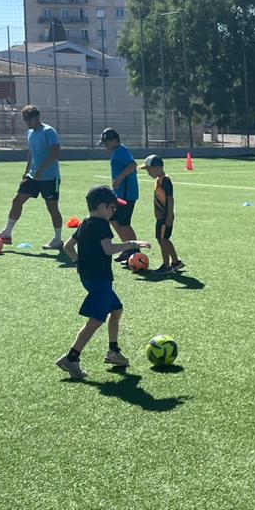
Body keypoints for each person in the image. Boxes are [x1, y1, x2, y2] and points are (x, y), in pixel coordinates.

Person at [57, 186, 152, 379]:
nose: (114, 211)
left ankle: (113, 351)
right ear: (101, 206)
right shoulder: (101, 225)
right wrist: (133, 244)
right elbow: (108, 249)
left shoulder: (85, 224)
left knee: (116, 310)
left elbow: (68, 247)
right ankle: (71, 358)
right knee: (96, 320)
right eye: (112, 207)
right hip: (100, 278)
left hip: (90, 277)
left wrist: (78, 262)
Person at [0, 105, 64, 250]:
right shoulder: (30, 132)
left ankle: (57, 240)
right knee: (17, 200)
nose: (26, 122)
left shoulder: (48, 131)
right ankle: (7, 233)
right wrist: (27, 170)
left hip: (50, 178)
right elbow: (32, 152)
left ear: (36, 117)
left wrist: (42, 170)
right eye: (24, 119)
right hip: (33, 176)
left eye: (28, 119)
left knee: (52, 208)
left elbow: (55, 153)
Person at [99, 127, 141, 262]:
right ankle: (127, 248)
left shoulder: (121, 151)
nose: (105, 145)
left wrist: (119, 178)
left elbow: (133, 165)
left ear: (114, 140)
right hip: (120, 194)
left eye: (106, 142)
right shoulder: (117, 151)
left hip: (127, 194)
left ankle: (135, 250)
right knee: (113, 219)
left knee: (124, 223)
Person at [142, 154, 184, 273]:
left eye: (149, 170)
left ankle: (173, 262)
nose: (148, 173)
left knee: (164, 239)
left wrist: (169, 216)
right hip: (160, 217)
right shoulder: (159, 180)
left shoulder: (165, 180)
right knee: (162, 239)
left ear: (157, 168)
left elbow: (170, 199)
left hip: (165, 217)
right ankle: (169, 264)